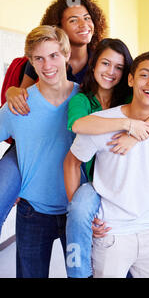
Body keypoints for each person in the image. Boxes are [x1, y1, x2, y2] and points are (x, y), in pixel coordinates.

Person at [62, 38, 149, 278]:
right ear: (131, 80)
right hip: (111, 233)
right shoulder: (102, 122)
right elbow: (72, 161)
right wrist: (78, 211)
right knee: (80, 211)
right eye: (144, 75)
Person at [0, 0, 107, 235]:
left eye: (86, 17)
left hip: (78, 139)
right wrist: (11, 92)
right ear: (58, 28)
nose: (83, 25)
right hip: (32, 138)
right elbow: (25, 97)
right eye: (73, 20)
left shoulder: (100, 59)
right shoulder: (44, 55)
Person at [0, 25, 80, 277]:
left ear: (66, 54)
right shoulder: (18, 105)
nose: (47, 65)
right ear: (31, 63)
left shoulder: (85, 100)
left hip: (76, 213)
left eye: (54, 55)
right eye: (39, 58)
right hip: (32, 213)